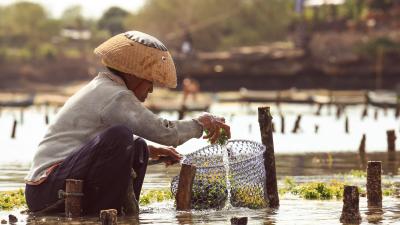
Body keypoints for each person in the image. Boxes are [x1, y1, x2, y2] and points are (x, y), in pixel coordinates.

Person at [24, 31, 230, 215]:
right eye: (149, 81)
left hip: (56, 181)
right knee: (121, 136)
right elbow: (166, 132)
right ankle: (107, 212)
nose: (150, 90)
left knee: (138, 146)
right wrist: (201, 123)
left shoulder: (104, 87)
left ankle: (122, 213)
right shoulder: (114, 95)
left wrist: (149, 150)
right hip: (45, 188)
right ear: (134, 75)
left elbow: (92, 146)